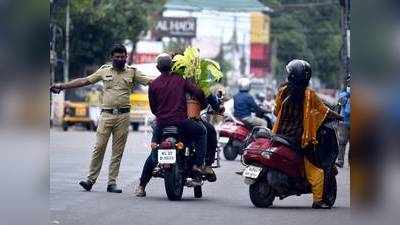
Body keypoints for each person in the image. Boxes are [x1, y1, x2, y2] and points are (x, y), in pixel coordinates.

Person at [50, 44, 152, 193]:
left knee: (118, 151)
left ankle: (112, 183)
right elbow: (85, 81)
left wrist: (170, 79)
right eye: (117, 57)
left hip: (123, 116)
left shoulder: (132, 72)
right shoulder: (104, 70)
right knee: (99, 148)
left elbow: (151, 82)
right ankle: (90, 180)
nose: (120, 59)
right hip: (106, 115)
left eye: (122, 57)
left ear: (126, 57)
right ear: (112, 58)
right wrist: (62, 86)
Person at [134, 53, 209, 197]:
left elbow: (153, 109)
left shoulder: (154, 84)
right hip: (181, 123)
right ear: (173, 66)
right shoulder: (180, 80)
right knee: (202, 132)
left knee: (154, 152)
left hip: (161, 124)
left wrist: (162, 115)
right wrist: (202, 100)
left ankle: (141, 186)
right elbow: (197, 92)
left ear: (157, 68)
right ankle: (197, 164)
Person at [272, 59, 342, 209]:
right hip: (299, 138)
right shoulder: (309, 94)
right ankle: (318, 200)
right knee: (315, 167)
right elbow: (324, 110)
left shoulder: (282, 90)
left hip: (279, 133)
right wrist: (338, 116)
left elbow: (275, 111)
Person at [336, 77, 351, 168]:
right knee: (342, 142)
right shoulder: (343, 95)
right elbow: (339, 105)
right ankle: (340, 161)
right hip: (344, 122)